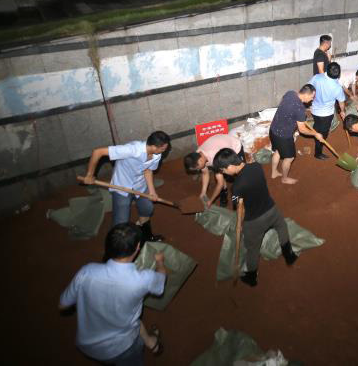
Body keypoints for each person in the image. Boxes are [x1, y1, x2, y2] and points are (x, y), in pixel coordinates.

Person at [59, 223, 167, 363]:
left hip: (87, 345)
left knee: (134, 320)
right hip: (122, 347)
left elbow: (62, 305)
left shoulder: (87, 271)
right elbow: (161, 280)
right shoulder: (144, 279)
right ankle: (151, 343)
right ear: (137, 248)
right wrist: (160, 262)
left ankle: (151, 342)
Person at [213, 148, 298, 287]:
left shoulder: (236, 187)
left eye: (223, 170)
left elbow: (237, 205)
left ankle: (251, 277)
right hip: (272, 209)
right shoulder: (257, 166)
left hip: (254, 221)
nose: (223, 173)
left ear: (230, 166)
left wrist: (239, 220)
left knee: (253, 249)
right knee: (281, 226)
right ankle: (289, 255)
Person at [81, 131, 170, 242]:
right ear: (154, 146)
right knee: (121, 221)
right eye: (163, 148)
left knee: (147, 208)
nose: (165, 150)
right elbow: (98, 152)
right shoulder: (132, 149)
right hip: (122, 186)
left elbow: (147, 170)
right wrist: (90, 174)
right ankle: (117, 246)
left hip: (140, 185)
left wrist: (152, 191)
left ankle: (146, 235)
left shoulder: (157, 155)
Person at [269, 84, 326, 184]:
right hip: (283, 136)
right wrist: (315, 134)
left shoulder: (290, 93)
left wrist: (294, 117)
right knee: (289, 158)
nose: (312, 99)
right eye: (312, 97)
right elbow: (302, 130)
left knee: (278, 151)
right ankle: (284, 179)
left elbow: (284, 106)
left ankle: (274, 173)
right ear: (306, 95)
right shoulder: (300, 109)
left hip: (273, 129)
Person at [183, 133, 244, 209]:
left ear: (200, 160)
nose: (198, 170)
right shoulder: (198, 154)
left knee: (240, 173)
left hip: (234, 146)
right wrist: (203, 192)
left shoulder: (214, 158)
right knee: (221, 174)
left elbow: (220, 183)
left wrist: (211, 201)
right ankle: (224, 193)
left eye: (197, 168)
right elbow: (205, 173)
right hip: (220, 145)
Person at [308, 62, 347, 160]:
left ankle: (316, 130)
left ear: (327, 70)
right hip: (326, 114)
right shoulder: (337, 87)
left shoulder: (317, 77)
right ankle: (318, 153)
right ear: (338, 73)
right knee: (322, 134)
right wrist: (342, 111)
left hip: (314, 110)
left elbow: (308, 88)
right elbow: (341, 102)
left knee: (317, 125)